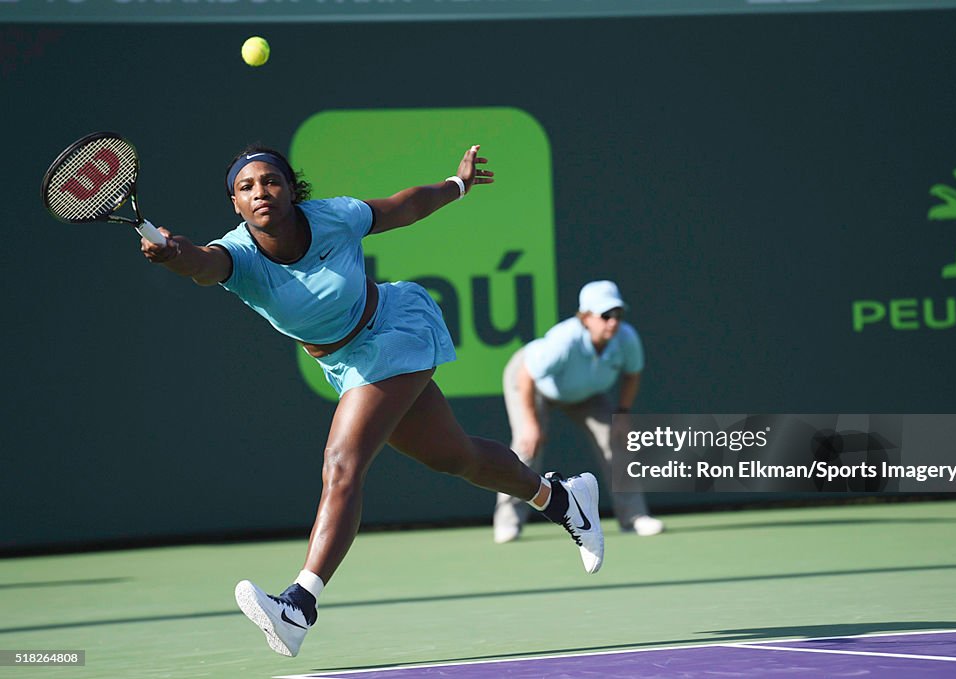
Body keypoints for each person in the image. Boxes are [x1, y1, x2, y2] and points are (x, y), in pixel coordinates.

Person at [139, 144, 604, 658]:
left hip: (396, 327)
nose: (260, 192)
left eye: (270, 181)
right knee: (457, 457)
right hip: (347, 364)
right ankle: (561, 499)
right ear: (235, 205)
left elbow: (404, 205)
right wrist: (173, 254)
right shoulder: (238, 255)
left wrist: (458, 185)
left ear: (292, 189)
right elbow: (201, 264)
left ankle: (298, 605)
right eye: (246, 187)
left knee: (342, 463)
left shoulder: (333, 217)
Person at [493, 280, 664, 544]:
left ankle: (634, 517)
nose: (613, 322)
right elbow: (526, 374)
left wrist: (622, 413)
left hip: (585, 393)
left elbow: (632, 374)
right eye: (605, 315)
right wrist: (530, 423)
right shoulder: (564, 341)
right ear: (585, 318)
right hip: (533, 383)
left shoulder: (626, 339)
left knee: (616, 439)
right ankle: (508, 523)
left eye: (618, 315)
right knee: (527, 445)